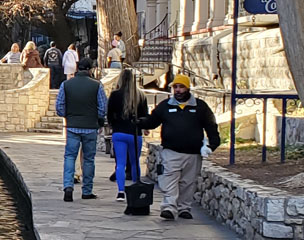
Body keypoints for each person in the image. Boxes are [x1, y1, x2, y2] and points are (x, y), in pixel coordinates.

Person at [139, 75, 221, 220]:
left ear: (188, 88)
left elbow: (211, 126)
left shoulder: (200, 107)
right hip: (171, 151)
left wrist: (212, 145)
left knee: (187, 183)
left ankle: (184, 208)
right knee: (169, 180)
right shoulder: (165, 106)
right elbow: (152, 122)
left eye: (181, 87)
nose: (178, 90)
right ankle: (169, 207)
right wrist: (138, 122)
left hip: (193, 153)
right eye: (175, 87)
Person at [56, 57, 106, 202]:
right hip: (90, 127)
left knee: (70, 156)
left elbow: (59, 107)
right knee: (89, 159)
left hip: (72, 126)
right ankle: (87, 190)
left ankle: (68, 186)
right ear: (90, 69)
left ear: (77, 68)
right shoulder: (97, 86)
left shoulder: (66, 85)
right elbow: (103, 108)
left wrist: (68, 115)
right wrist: (96, 118)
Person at [107, 68, 149, 204]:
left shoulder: (115, 95)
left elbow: (109, 114)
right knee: (134, 162)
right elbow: (144, 115)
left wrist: (113, 126)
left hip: (119, 132)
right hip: (135, 133)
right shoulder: (141, 96)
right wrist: (144, 127)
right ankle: (135, 186)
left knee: (120, 163)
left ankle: (120, 192)